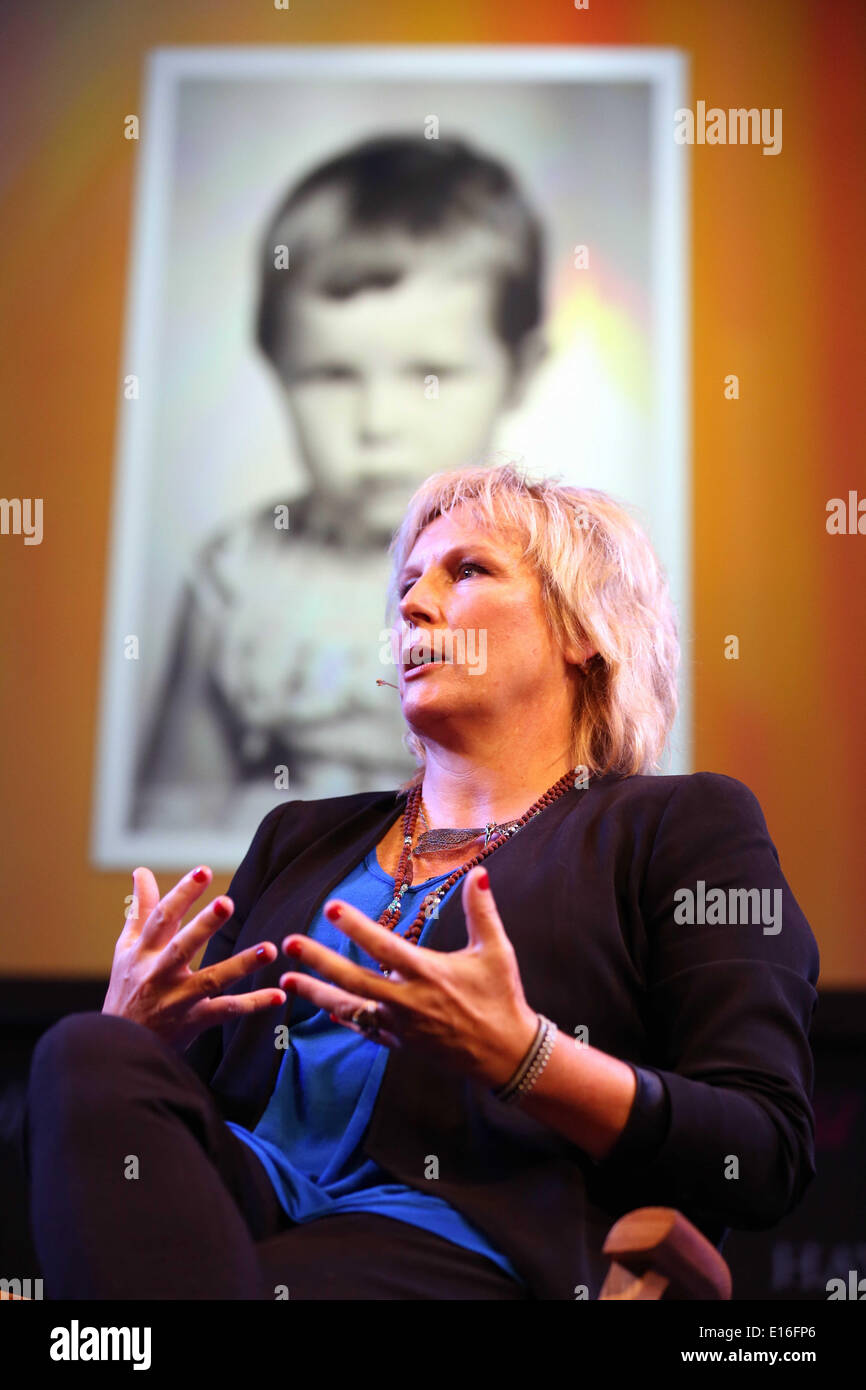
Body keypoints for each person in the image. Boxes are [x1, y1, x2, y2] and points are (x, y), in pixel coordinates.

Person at [24, 461, 820, 1300]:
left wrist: (526, 1059)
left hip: (465, 1246)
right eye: (406, 583)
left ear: (585, 630)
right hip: (232, 1211)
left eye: (467, 570)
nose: (411, 606)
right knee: (88, 1048)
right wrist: (137, 1032)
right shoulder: (296, 838)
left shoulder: (682, 827)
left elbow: (762, 1149)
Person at [130, 135, 547, 830]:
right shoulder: (236, 579)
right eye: (331, 376)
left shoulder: (543, 575)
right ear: (276, 366)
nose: (376, 423)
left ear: (521, 370)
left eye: (428, 375)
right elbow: (168, 822)